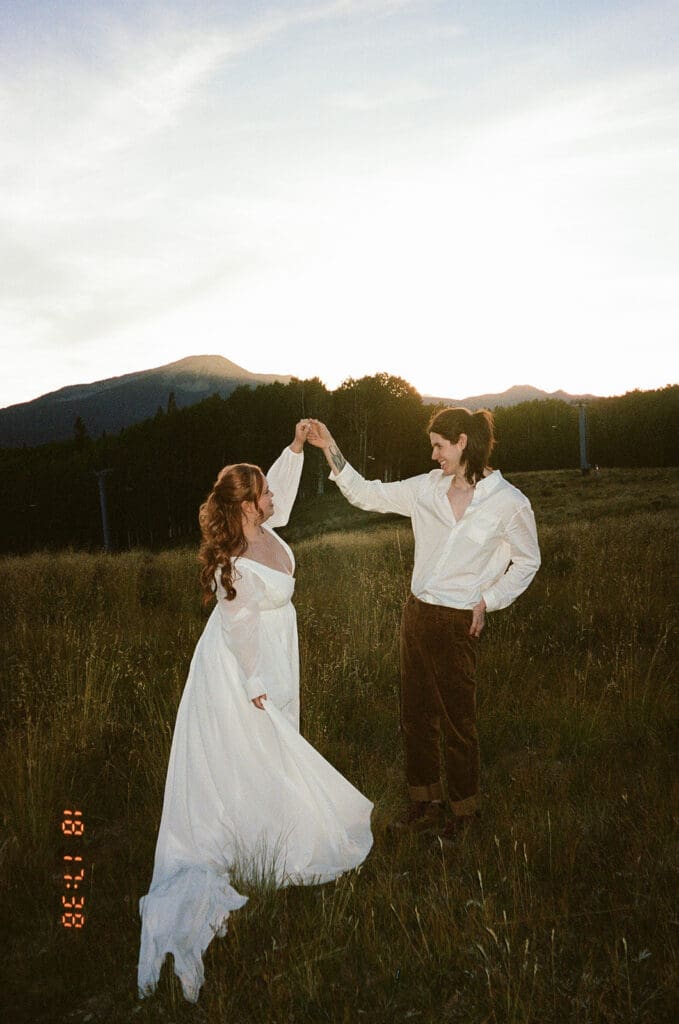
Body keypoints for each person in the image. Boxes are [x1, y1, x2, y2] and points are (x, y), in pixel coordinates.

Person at [137, 421, 373, 1003]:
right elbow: (240, 628)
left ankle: (267, 825)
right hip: (241, 666)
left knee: (270, 746)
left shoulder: (265, 527)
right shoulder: (235, 563)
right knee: (252, 746)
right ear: (245, 507)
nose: (273, 500)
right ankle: (256, 837)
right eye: (263, 494)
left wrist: (295, 451)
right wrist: (254, 684)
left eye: (268, 492)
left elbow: (283, 497)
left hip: (271, 649)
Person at [307, 408, 540, 844]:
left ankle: (465, 815)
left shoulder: (509, 502)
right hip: (417, 616)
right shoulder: (426, 490)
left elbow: (527, 561)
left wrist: (488, 600)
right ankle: (425, 805)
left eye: (439, 445)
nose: (434, 455)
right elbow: (365, 494)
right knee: (415, 717)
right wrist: (330, 447)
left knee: (458, 721)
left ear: (463, 442)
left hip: (458, 622)